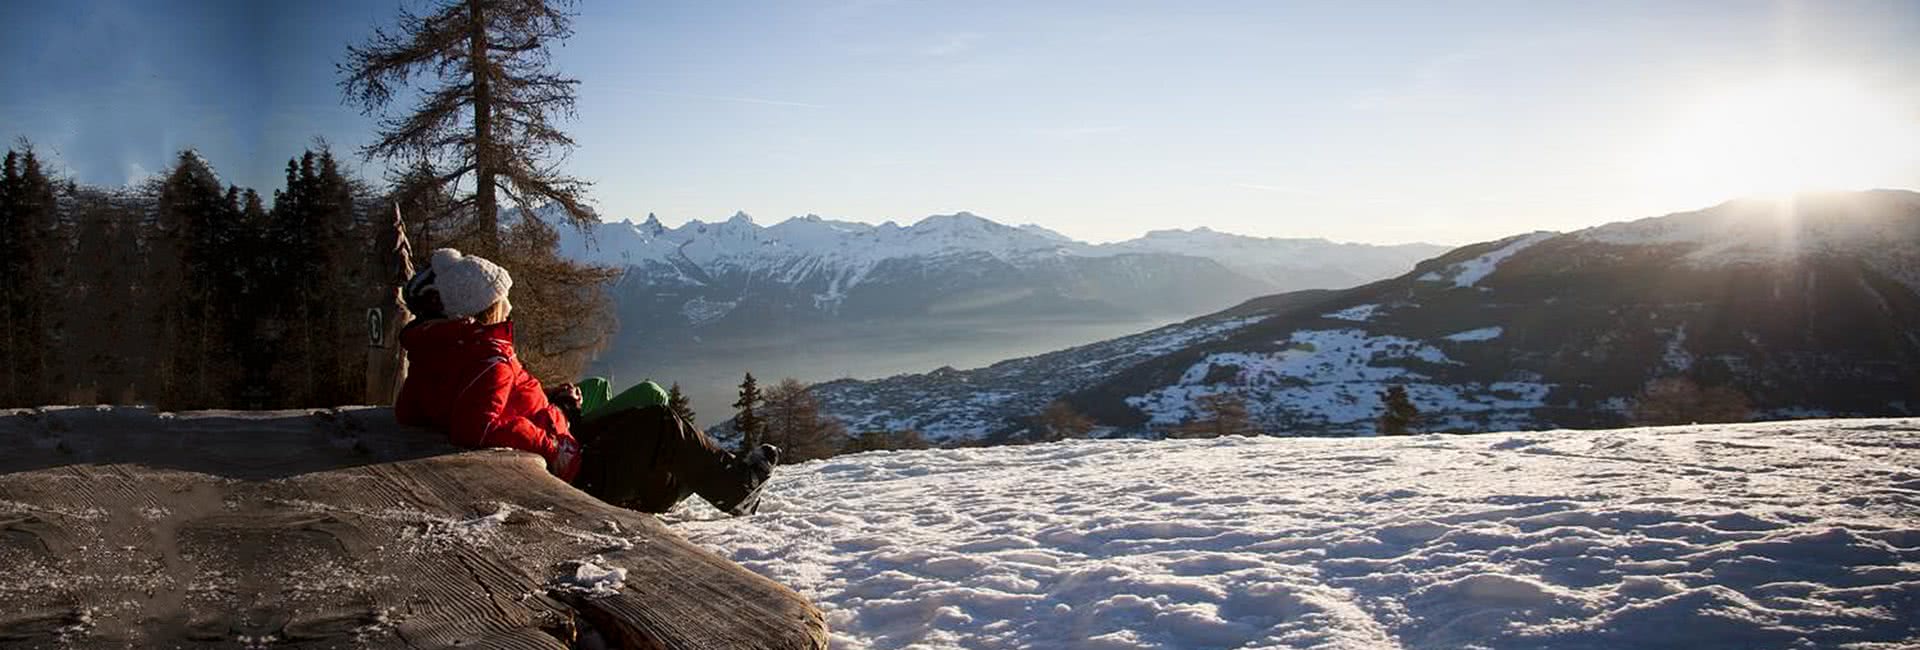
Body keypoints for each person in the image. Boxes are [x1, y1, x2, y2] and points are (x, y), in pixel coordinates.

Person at [394, 248, 778, 515]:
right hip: (573, 474)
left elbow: (410, 409)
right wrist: (552, 444)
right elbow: (475, 427)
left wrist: (549, 404)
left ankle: (685, 481)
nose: (508, 307)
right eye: (501, 300)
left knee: (649, 418)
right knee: (658, 422)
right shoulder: (486, 356)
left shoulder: (440, 350)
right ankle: (737, 488)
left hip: (560, 450)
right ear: (481, 309)